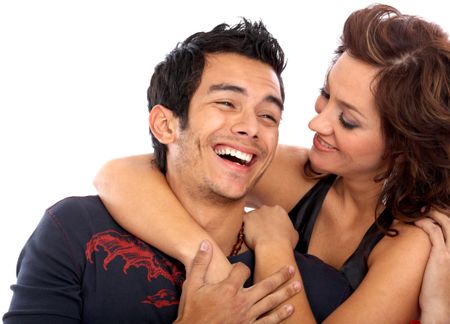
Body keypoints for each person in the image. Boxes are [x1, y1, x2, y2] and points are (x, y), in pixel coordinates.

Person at [93, 4, 450, 323]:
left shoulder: (416, 240)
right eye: (326, 95)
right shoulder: (304, 174)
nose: (317, 124)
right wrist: (207, 259)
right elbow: (118, 175)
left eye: (348, 121)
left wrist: (274, 244)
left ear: (403, 145)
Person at [3, 19, 356, 324]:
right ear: (164, 125)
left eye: (268, 115)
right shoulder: (78, 232)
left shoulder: (310, 285)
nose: (251, 127)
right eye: (226, 103)